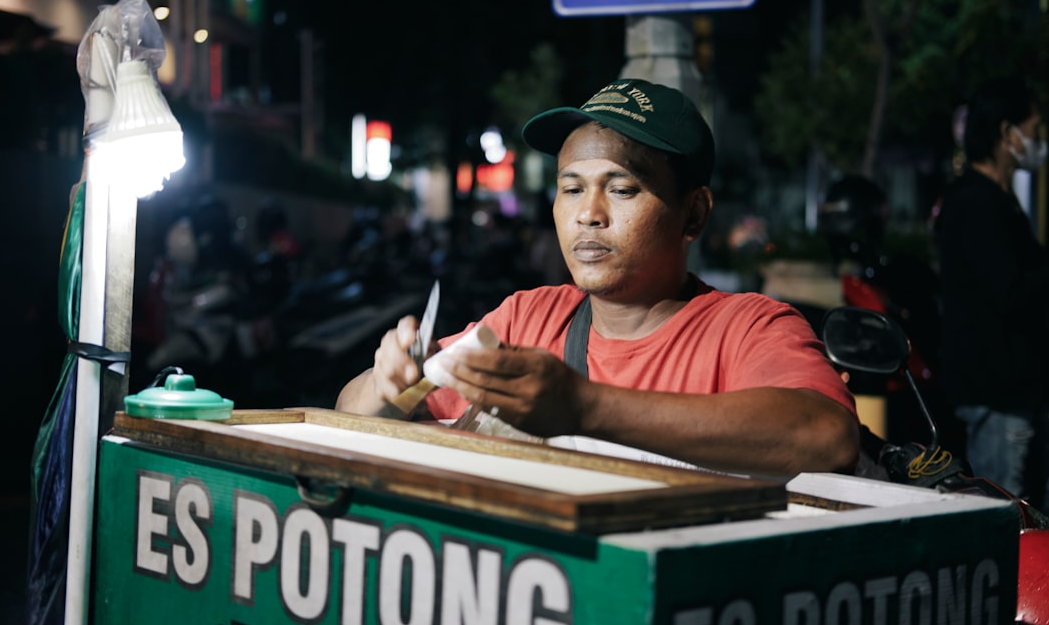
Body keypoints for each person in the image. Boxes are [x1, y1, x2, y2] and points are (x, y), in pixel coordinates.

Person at [336, 78, 861, 478]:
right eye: (571, 189)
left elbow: (825, 434)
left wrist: (584, 407)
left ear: (694, 215)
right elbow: (350, 412)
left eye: (623, 189)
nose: (589, 214)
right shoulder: (528, 317)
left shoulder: (747, 329)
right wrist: (390, 382)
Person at [933, 76, 1049, 507]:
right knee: (1009, 521)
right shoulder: (977, 204)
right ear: (1007, 134)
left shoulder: (994, 200)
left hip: (1011, 393)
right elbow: (1011, 292)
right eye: (1032, 129)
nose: (1036, 141)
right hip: (998, 397)